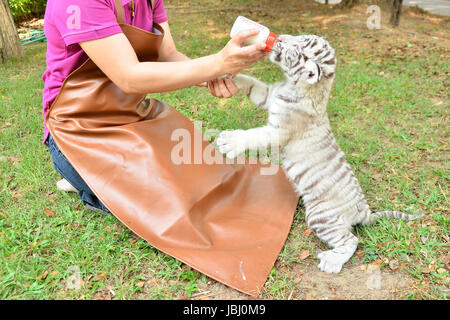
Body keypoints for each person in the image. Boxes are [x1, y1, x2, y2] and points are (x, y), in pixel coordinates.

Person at [42, 0, 267, 213]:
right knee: (161, 202)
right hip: (77, 131)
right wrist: (217, 62)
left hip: (129, 116)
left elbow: (167, 54)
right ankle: (79, 176)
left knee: (196, 175)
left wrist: (215, 73)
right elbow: (128, 76)